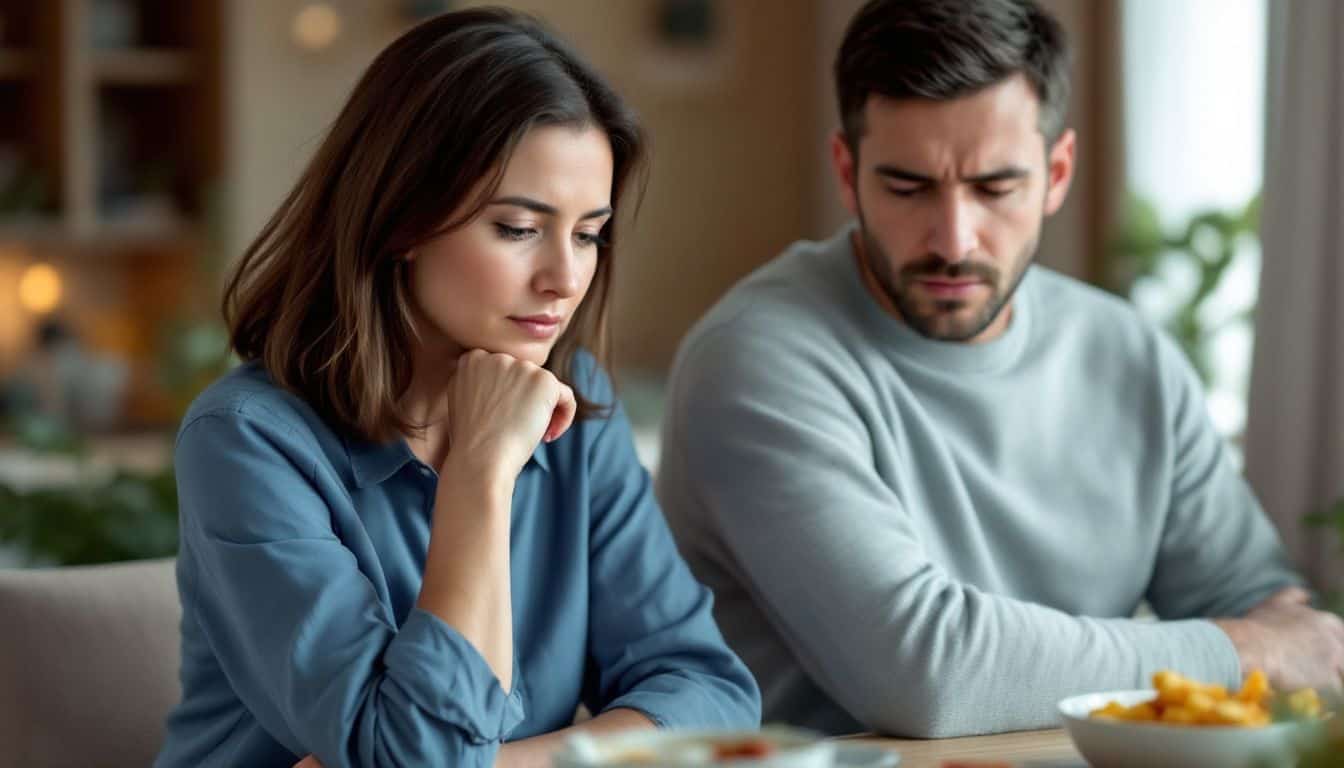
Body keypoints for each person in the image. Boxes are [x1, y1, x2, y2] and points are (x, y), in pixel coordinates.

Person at [656, 0, 1343, 739]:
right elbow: (925, 672)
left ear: (1057, 173)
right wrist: (1243, 651)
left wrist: (1267, 642)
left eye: (994, 187)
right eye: (909, 187)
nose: (953, 238)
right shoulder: (757, 361)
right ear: (847, 173)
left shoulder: (1130, 356)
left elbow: (1273, 616)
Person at [154, 9, 760, 767]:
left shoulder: (577, 408)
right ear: (403, 216)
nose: (564, 279)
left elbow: (709, 691)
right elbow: (416, 756)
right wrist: (480, 471)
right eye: (516, 228)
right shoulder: (247, 442)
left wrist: (503, 764)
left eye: (588, 234)